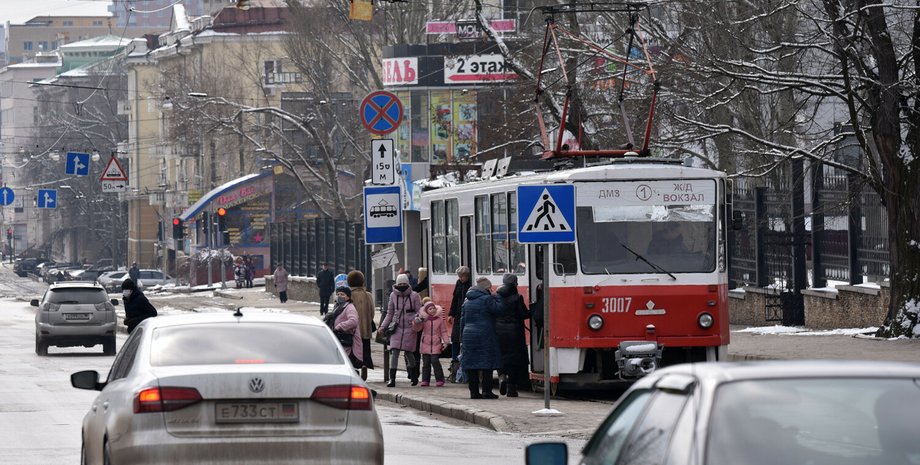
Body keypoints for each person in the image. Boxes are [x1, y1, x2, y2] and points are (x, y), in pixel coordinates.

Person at [460, 276, 503, 399]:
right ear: (486, 288)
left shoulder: (466, 301)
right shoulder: (487, 299)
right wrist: (497, 296)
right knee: (486, 363)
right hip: (484, 333)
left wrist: (462, 337)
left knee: (471, 364)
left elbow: (462, 320)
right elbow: (499, 309)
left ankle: (474, 392)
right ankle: (486, 391)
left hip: (468, 334)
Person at [378, 273, 422, 387]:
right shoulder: (393, 296)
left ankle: (413, 376)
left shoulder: (414, 296)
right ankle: (392, 379)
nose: (402, 285)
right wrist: (383, 326)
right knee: (395, 352)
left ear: (408, 283)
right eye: (400, 283)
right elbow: (390, 313)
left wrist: (417, 318)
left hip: (410, 328)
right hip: (396, 328)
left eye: (404, 283)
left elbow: (419, 311)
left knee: (409, 353)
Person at [495, 273, 531, 397]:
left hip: (499, 331)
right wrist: (534, 309)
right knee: (514, 360)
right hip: (514, 332)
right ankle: (511, 389)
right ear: (514, 284)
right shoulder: (517, 298)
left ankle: (501, 376)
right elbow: (523, 314)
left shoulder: (496, 297)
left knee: (501, 356)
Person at [412, 298, 449, 387]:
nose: (432, 310)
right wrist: (416, 322)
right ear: (426, 311)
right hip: (425, 343)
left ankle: (440, 379)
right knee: (426, 363)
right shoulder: (424, 320)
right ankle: (425, 380)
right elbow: (417, 329)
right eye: (430, 309)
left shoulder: (439, 320)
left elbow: (443, 331)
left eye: (433, 308)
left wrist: (446, 342)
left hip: (436, 343)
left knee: (435, 361)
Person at [324, 287, 363, 369]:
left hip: (348, 342)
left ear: (348, 297)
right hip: (340, 340)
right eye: (338, 294)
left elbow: (353, 321)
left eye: (342, 294)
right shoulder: (338, 307)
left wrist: (339, 327)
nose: (339, 296)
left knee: (347, 366)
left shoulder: (349, 307)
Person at [347, 270, 376, 380]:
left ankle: (355, 368)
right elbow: (372, 312)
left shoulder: (348, 295)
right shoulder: (368, 295)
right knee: (365, 349)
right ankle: (364, 364)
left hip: (352, 330)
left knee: (353, 351)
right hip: (365, 329)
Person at [447, 266, 472, 382]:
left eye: (462, 276)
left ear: (467, 276)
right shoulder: (458, 284)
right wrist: (451, 314)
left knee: (465, 339)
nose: (460, 278)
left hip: (467, 314)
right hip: (458, 315)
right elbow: (455, 299)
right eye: (459, 276)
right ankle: (455, 365)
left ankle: (464, 367)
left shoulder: (471, 284)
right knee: (455, 339)